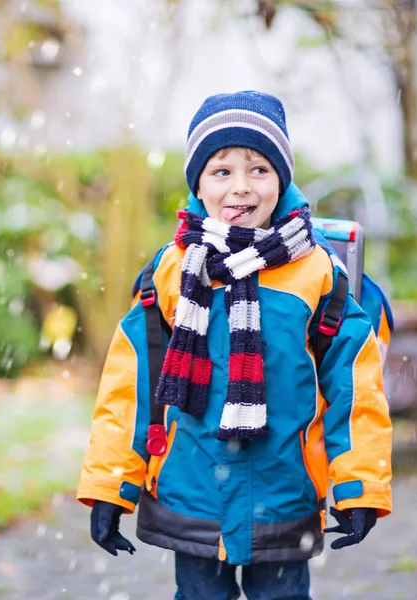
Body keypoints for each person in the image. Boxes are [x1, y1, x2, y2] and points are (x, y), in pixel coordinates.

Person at [77, 90, 393, 600]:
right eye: (222, 171)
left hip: (285, 491)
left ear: (282, 180)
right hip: (191, 489)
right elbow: (131, 386)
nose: (241, 187)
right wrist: (111, 487)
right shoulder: (172, 271)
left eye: (259, 169)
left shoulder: (316, 273)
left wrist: (359, 486)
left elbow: (356, 390)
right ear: (197, 184)